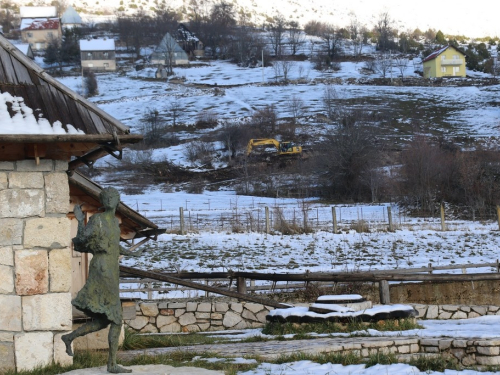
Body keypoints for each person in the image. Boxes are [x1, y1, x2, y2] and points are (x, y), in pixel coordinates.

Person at [62, 187, 141, 373]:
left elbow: (114, 245)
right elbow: (81, 240)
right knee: (116, 319)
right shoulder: (97, 219)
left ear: (117, 200)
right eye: (106, 197)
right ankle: (111, 365)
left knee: (105, 321)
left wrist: (130, 252)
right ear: (103, 201)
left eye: (113, 197)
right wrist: (81, 221)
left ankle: (70, 337)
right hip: (102, 269)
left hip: (112, 270)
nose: (109, 199)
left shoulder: (114, 222)